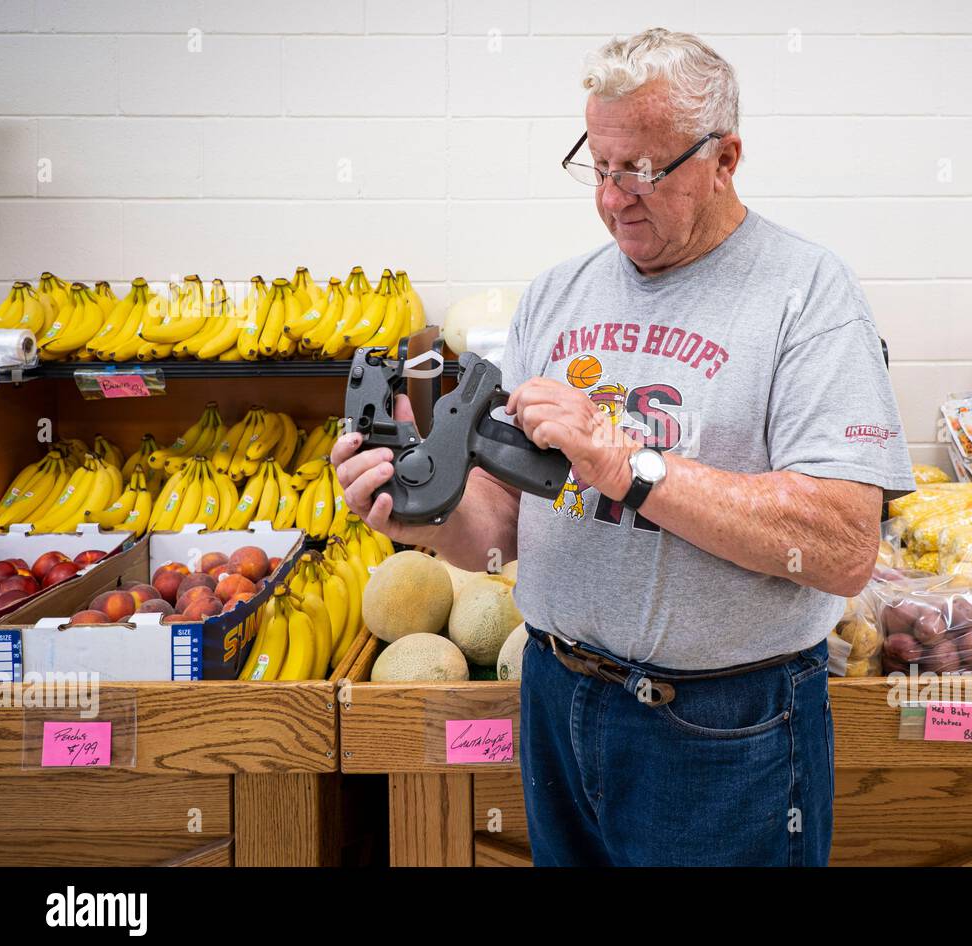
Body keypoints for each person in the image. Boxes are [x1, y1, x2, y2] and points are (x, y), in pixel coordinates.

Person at [332, 28, 913, 866]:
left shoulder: (808, 296)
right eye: (599, 168)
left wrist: (627, 464)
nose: (613, 199)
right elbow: (499, 526)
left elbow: (842, 547)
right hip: (557, 697)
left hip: (726, 727)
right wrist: (415, 505)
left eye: (641, 169)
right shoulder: (557, 294)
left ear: (725, 158)